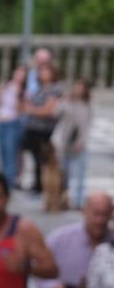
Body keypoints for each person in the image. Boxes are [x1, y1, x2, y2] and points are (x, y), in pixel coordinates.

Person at [20, 63, 63, 196]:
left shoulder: (55, 89)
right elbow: (27, 105)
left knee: (44, 158)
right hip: (33, 128)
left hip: (45, 129)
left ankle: (42, 186)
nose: (43, 74)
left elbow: (49, 110)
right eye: (41, 72)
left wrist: (32, 110)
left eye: (46, 71)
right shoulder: (39, 89)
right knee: (34, 158)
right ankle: (37, 183)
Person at [52, 77, 93, 209]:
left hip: (79, 144)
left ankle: (79, 201)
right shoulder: (67, 102)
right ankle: (64, 199)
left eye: (81, 87)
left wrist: (81, 141)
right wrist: (65, 101)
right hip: (65, 142)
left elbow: (87, 126)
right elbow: (55, 114)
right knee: (64, 173)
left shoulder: (87, 106)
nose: (78, 90)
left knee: (80, 174)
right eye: (77, 87)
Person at [0, 66, 26, 191]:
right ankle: (3, 178)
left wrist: (19, 95)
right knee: (1, 152)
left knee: (11, 153)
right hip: (1, 121)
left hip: (12, 123)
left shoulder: (23, 91)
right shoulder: (7, 86)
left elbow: (21, 110)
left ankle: (9, 181)